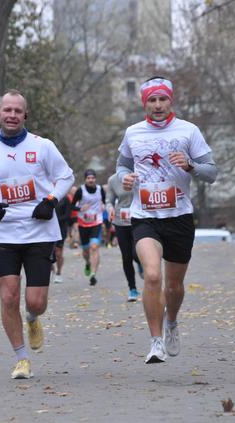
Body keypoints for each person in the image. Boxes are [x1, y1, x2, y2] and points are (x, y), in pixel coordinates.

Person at [0, 89, 74, 379]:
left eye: (18, 111)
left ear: (25, 115)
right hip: (4, 234)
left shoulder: (43, 147)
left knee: (35, 302)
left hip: (39, 232)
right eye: (8, 110)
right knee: (8, 297)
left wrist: (51, 201)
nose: (13, 115)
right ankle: (21, 358)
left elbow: (66, 176)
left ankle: (32, 319)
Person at [116, 76, 217, 363]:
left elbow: (212, 172)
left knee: (173, 287)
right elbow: (120, 167)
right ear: (144, 103)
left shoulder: (188, 131)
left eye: (162, 99)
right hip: (144, 216)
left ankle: (171, 321)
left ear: (170, 100)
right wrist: (123, 179)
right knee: (151, 275)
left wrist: (190, 165)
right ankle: (155, 341)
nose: (157, 105)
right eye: (152, 100)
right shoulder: (133, 133)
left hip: (179, 216)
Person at [106, 172, 143, 302]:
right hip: (121, 221)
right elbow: (108, 201)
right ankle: (132, 289)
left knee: (135, 252)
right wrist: (109, 209)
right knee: (126, 256)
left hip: (139, 219)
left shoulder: (141, 173)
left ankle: (141, 263)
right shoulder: (113, 179)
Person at [71, 169, 106, 286]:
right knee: (86, 251)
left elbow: (104, 202)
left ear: (95, 179)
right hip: (83, 223)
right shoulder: (80, 191)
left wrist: (104, 205)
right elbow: (72, 206)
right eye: (88, 178)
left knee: (94, 247)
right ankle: (87, 263)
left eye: (92, 178)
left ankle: (93, 274)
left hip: (97, 222)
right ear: (85, 179)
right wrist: (80, 209)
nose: (91, 180)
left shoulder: (100, 190)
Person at [52, 189, 72, 283]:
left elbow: (67, 215)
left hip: (60, 229)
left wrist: (54, 220)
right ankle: (52, 270)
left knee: (58, 253)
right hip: (47, 229)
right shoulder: (47, 196)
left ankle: (59, 273)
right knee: (47, 253)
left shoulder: (65, 198)